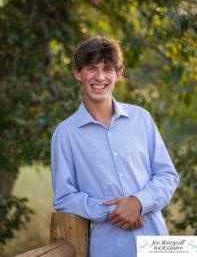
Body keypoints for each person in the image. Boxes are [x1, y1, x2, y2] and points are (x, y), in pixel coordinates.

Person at [51, 36, 179, 257]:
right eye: (91, 68)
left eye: (107, 69)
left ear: (118, 74)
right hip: (109, 250)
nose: (99, 77)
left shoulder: (141, 118)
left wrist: (139, 203)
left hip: (159, 247)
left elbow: (167, 175)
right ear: (77, 74)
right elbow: (64, 198)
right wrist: (115, 210)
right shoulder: (66, 134)